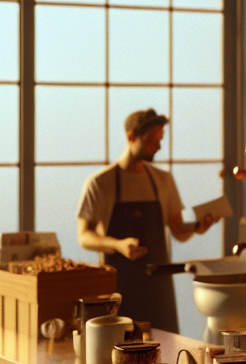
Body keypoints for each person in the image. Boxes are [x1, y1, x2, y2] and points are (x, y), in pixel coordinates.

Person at [77, 109, 218, 333]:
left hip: (158, 290)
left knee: (167, 350)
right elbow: (84, 236)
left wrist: (198, 227)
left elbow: (178, 230)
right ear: (132, 136)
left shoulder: (163, 180)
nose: (158, 146)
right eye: (152, 140)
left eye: (160, 139)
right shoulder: (100, 183)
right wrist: (118, 245)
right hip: (119, 290)